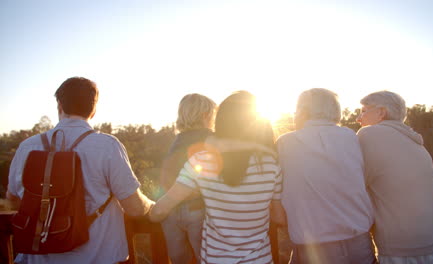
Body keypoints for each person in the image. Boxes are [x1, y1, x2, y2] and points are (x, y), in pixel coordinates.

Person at [6, 77, 155, 264]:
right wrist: (152, 206)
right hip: (97, 258)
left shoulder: (27, 147)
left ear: (59, 105)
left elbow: (13, 200)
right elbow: (134, 208)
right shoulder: (107, 146)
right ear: (93, 110)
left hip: (37, 259)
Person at [150, 91, 286, 264]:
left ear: (221, 122)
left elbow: (161, 209)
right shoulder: (271, 164)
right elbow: (278, 217)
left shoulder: (201, 161)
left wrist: (150, 213)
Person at [277, 88, 376, 264]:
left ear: (303, 111)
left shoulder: (286, 142)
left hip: (315, 249)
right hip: (360, 243)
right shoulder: (350, 137)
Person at [356, 91, 433, 264]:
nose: (358, 118)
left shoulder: (369, 135)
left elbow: (354, 185)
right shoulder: (415, 142)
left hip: (405, 252)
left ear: (381, 112)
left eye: (363, 111)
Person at [159, 93, 216, 264]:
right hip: (198, 209)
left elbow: (167, 175)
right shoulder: (211, 138)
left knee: (179, 259)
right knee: (206, 258)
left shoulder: (177, 140)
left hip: (170, 211)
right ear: (206, 115)